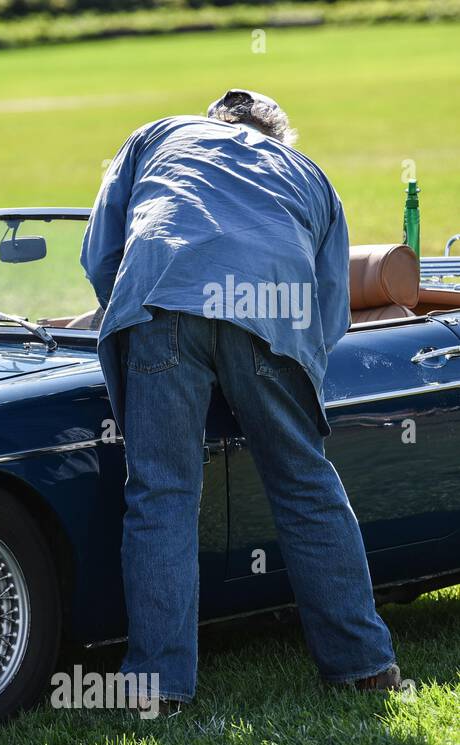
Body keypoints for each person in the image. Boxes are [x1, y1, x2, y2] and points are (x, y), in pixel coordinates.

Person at [81, 90, 401, 712]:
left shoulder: (160, 135)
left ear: (215, 124)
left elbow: (102, 255)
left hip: (162, 301)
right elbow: (330, 309)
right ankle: (363, 666)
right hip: (272, 315)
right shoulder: (309, 174)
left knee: (161, 495)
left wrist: (134, 311)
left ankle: (157, 688)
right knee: (306, 487)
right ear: (276, 138)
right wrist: (277, 372)